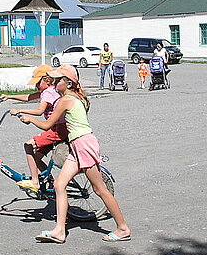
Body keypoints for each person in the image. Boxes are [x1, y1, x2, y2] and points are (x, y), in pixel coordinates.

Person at [18, 64, 131, 244]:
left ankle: (123, 228)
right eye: (53, 80)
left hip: (84, 144)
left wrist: (30, 119)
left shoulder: (66, 100)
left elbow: (48, 125)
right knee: (59, 184)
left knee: (99, 189)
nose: (54, 83)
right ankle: (59, 231)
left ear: (69, 83)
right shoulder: (73, 97)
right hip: (77, 145)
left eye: (58, 80)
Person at [1, 65, 68, 192]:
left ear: (47, 81)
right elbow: (28, 97)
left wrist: (19, 110)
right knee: (37, 157)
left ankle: (35, 182)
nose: (36, 86)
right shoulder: (50, 90)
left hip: (57, 130)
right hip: (57, 128)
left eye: (38, 83)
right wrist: (9, 96)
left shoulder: (48, 93)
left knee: (28, 145)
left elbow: (39, 111)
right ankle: (49, 181)